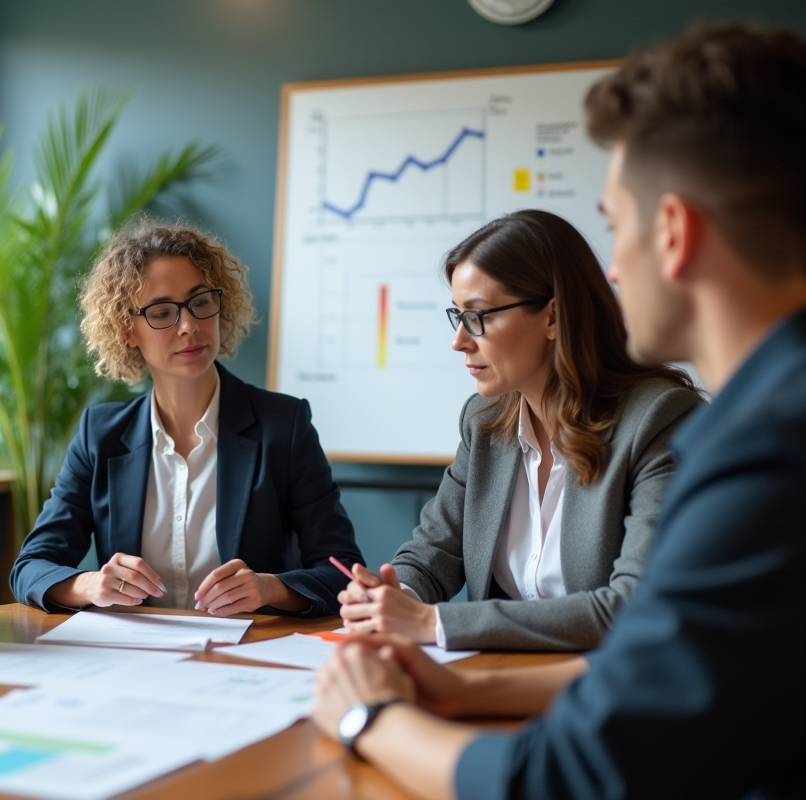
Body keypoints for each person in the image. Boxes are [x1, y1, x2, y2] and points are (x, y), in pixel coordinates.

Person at [312, 23, 806, 800]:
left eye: (617, 224)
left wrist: (368, 718)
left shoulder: (754, 444)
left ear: (673, 233)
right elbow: (657, 669)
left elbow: (573, 767)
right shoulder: (762, 414)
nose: (614, 267)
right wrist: (456, 681)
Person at [338, 209, 700, 651]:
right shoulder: (484, 421)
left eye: (479, 316)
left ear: (552, 317)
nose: (459, 341)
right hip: (493, 672)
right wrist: (396, 596)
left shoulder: (657, 420)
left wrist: (432, 622)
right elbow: (434, 552)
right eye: (458, 316)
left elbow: (630, 605)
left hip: (603, 681)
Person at [10, 220, 363, 617]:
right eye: (162, 312)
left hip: (249, 649)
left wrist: (269, 588)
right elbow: (30, 567)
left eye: (201, 302)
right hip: (135, 650)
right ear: (128, 330)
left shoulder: (284, 425)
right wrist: (91, 584)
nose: (190, 326)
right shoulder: (99, 434)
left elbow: (344, 571)